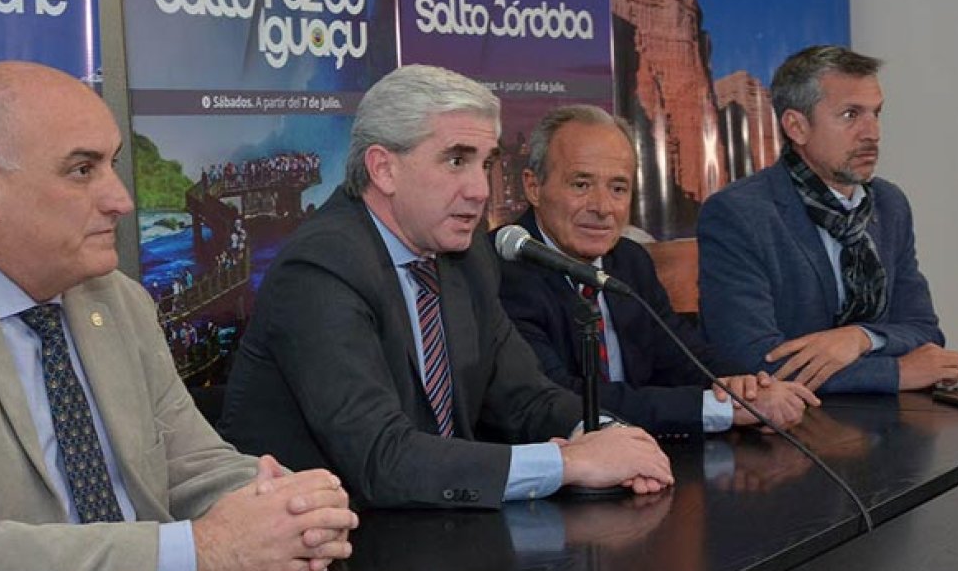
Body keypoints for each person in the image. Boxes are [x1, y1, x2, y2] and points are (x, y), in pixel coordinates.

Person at [0, 61, 357, 571]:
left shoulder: (117, 300)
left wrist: (288, 511)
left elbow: (194, 466)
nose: (121, 199)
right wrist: (203, 550)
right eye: (83, 170)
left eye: (113, 164)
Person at [218, 65, 673, 509]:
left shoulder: (467, 256)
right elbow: (382, 458)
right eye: (457, 161)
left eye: (485, 163)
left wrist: (608, 436)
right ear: (383, 168)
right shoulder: (320, 268)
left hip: (433, 524)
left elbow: (526, 396)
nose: (480, 190)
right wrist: (567, 463)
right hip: (325, 534)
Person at [496, 104, 819, 437]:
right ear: (533, 187)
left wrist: (747, 388)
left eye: (618, 188)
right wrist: (724, 409)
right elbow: (559, 396)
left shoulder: (629, 260)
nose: (602, 207)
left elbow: (682, 355)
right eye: (581, 185)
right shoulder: (501, 271)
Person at [697, 45, 958, 393]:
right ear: (796, 127)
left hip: (891, 415)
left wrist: (859, 338)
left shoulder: (889, 204)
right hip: (789, 419)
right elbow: (751, 361)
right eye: (851, 115)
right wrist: (895, 372)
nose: (872, 133)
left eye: (876, 113)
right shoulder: (739, 213)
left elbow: (924, 331)